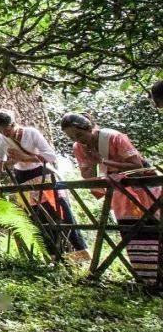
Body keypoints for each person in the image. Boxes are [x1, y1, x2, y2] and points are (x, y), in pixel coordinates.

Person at [61, 112, 161, 285]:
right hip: (121, 192)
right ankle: (145, 277)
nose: (78, 140)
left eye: (80, 135)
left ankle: (158, 276)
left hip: (143, 187)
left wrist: (103, 161)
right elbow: (87, 174)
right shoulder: (79, 148)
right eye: (72, 138)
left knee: (152, 227)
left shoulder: (114, 137)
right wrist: (92, 162)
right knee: (130, 231)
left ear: (89, 128)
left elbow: (136, 164)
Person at [0, 109, 89, 260]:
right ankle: (54, 256)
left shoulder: (31, 133)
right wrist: (9, 162)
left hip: (43, 174)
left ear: (13, 124)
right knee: (39, 217)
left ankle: (78, 253)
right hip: (22, 178)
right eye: (0, 131)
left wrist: (25, 157)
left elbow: (50, 156)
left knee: (61, 212)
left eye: (6, 129)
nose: (4, 133)